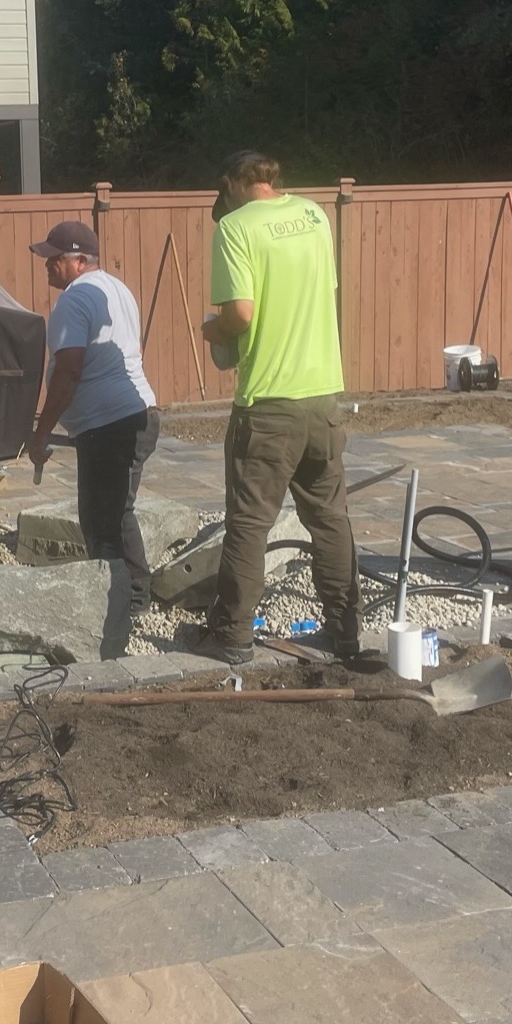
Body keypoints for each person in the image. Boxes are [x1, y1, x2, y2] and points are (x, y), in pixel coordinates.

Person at [191, 150, 360, 664]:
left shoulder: (236, 227)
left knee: (249, 522)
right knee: (330, 520)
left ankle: (234, 636)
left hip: (267, 404)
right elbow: (320, 293)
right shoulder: (315, 215)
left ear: (231, 185)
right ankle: (345, 632)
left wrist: (212, 330)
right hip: (324, 397)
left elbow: (240, 313)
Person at [23, 221, 161, 611]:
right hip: (140, 414)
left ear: (81, 260)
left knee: (101, 523)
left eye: (55, 258)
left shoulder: (73, 300)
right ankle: (133, 596)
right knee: (119, 513)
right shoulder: (118, 290)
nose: (47, 264)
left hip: (109, 427)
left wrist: (41, 433)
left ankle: (118, 607)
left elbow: (68, 372)